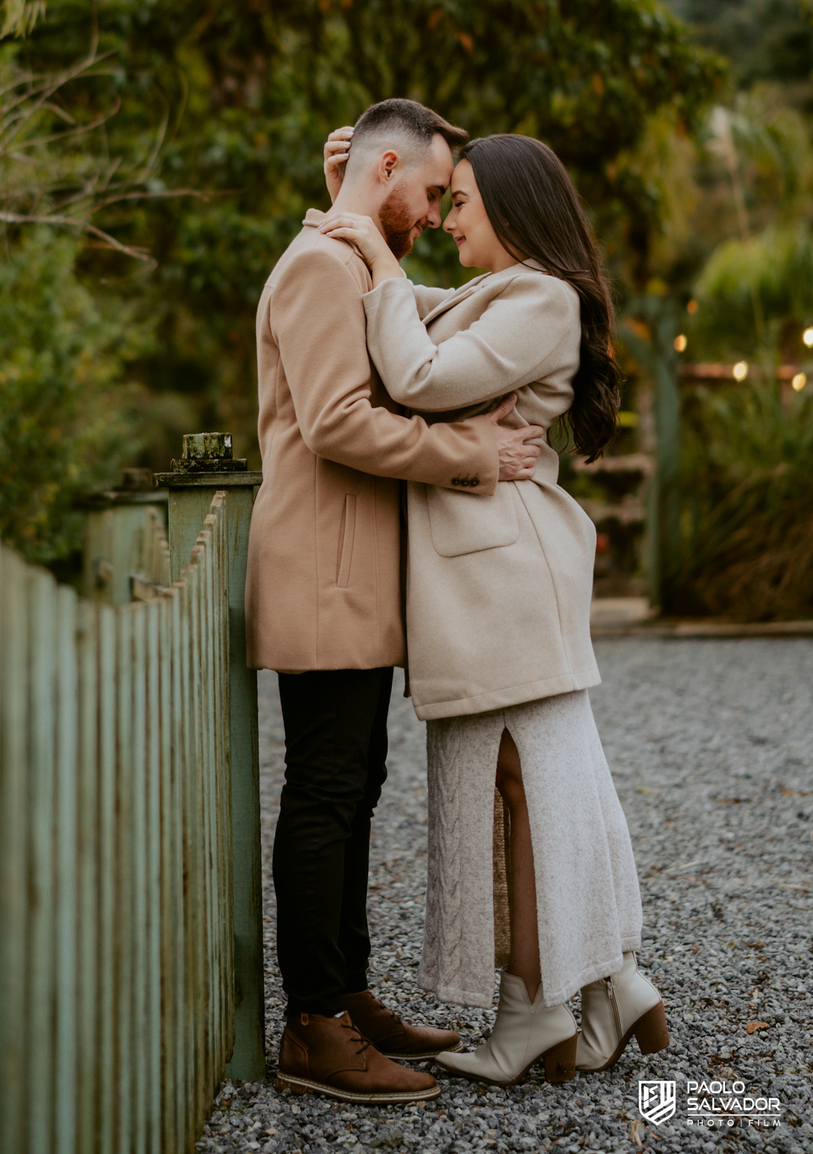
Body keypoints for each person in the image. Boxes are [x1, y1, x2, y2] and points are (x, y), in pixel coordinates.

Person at [318, 124, 669, 1088]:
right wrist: (354, 212)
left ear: (513, 211)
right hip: (494, 562)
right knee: (532, 782)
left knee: (515, 781)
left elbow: (417, 377)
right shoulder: (500, 293)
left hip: (498, 568)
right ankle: (605, 986)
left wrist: (373, 255)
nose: (447, 217)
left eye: (462, 201)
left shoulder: (541, 299)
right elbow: (415, 311)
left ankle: (537, 1012)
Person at [245, 99, 549, 1105]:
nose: (431, 215)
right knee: (325, 794)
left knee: (356, 782)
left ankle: (349, 994)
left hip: (356, 577)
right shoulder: (318, 267)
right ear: (382, 171)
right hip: (322, 573)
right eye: (426, 192)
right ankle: (313, 1027)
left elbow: (407, 313)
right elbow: (336, 422)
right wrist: (471, 456)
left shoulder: (348, 259)